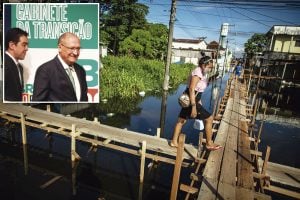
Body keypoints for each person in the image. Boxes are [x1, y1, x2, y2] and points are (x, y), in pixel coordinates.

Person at [170, 56, 222, 151]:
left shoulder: (202, 73)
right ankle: (209, 143)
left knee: (181, 120)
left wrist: (214, 77)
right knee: (209, 119)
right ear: (203, 65)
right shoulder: (197, 73)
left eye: (211, 67)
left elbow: (200, 88)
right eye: (209, 67)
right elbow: (191, 89)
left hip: (194, 99)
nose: (210, 69)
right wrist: (194, 106)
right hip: (191, 100)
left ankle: (174, 141)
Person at [32, 32, 88, 102]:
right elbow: (38, 102)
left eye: (78, 48)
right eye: (72, 48)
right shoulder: (45, 70)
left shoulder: (81, 70)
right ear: (60, 47)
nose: (76, 53)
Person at [4, 27, 29, 101]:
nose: (27, 48)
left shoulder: (20, 67)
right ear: (12, 45)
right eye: (24, 45)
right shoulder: (4, 64)